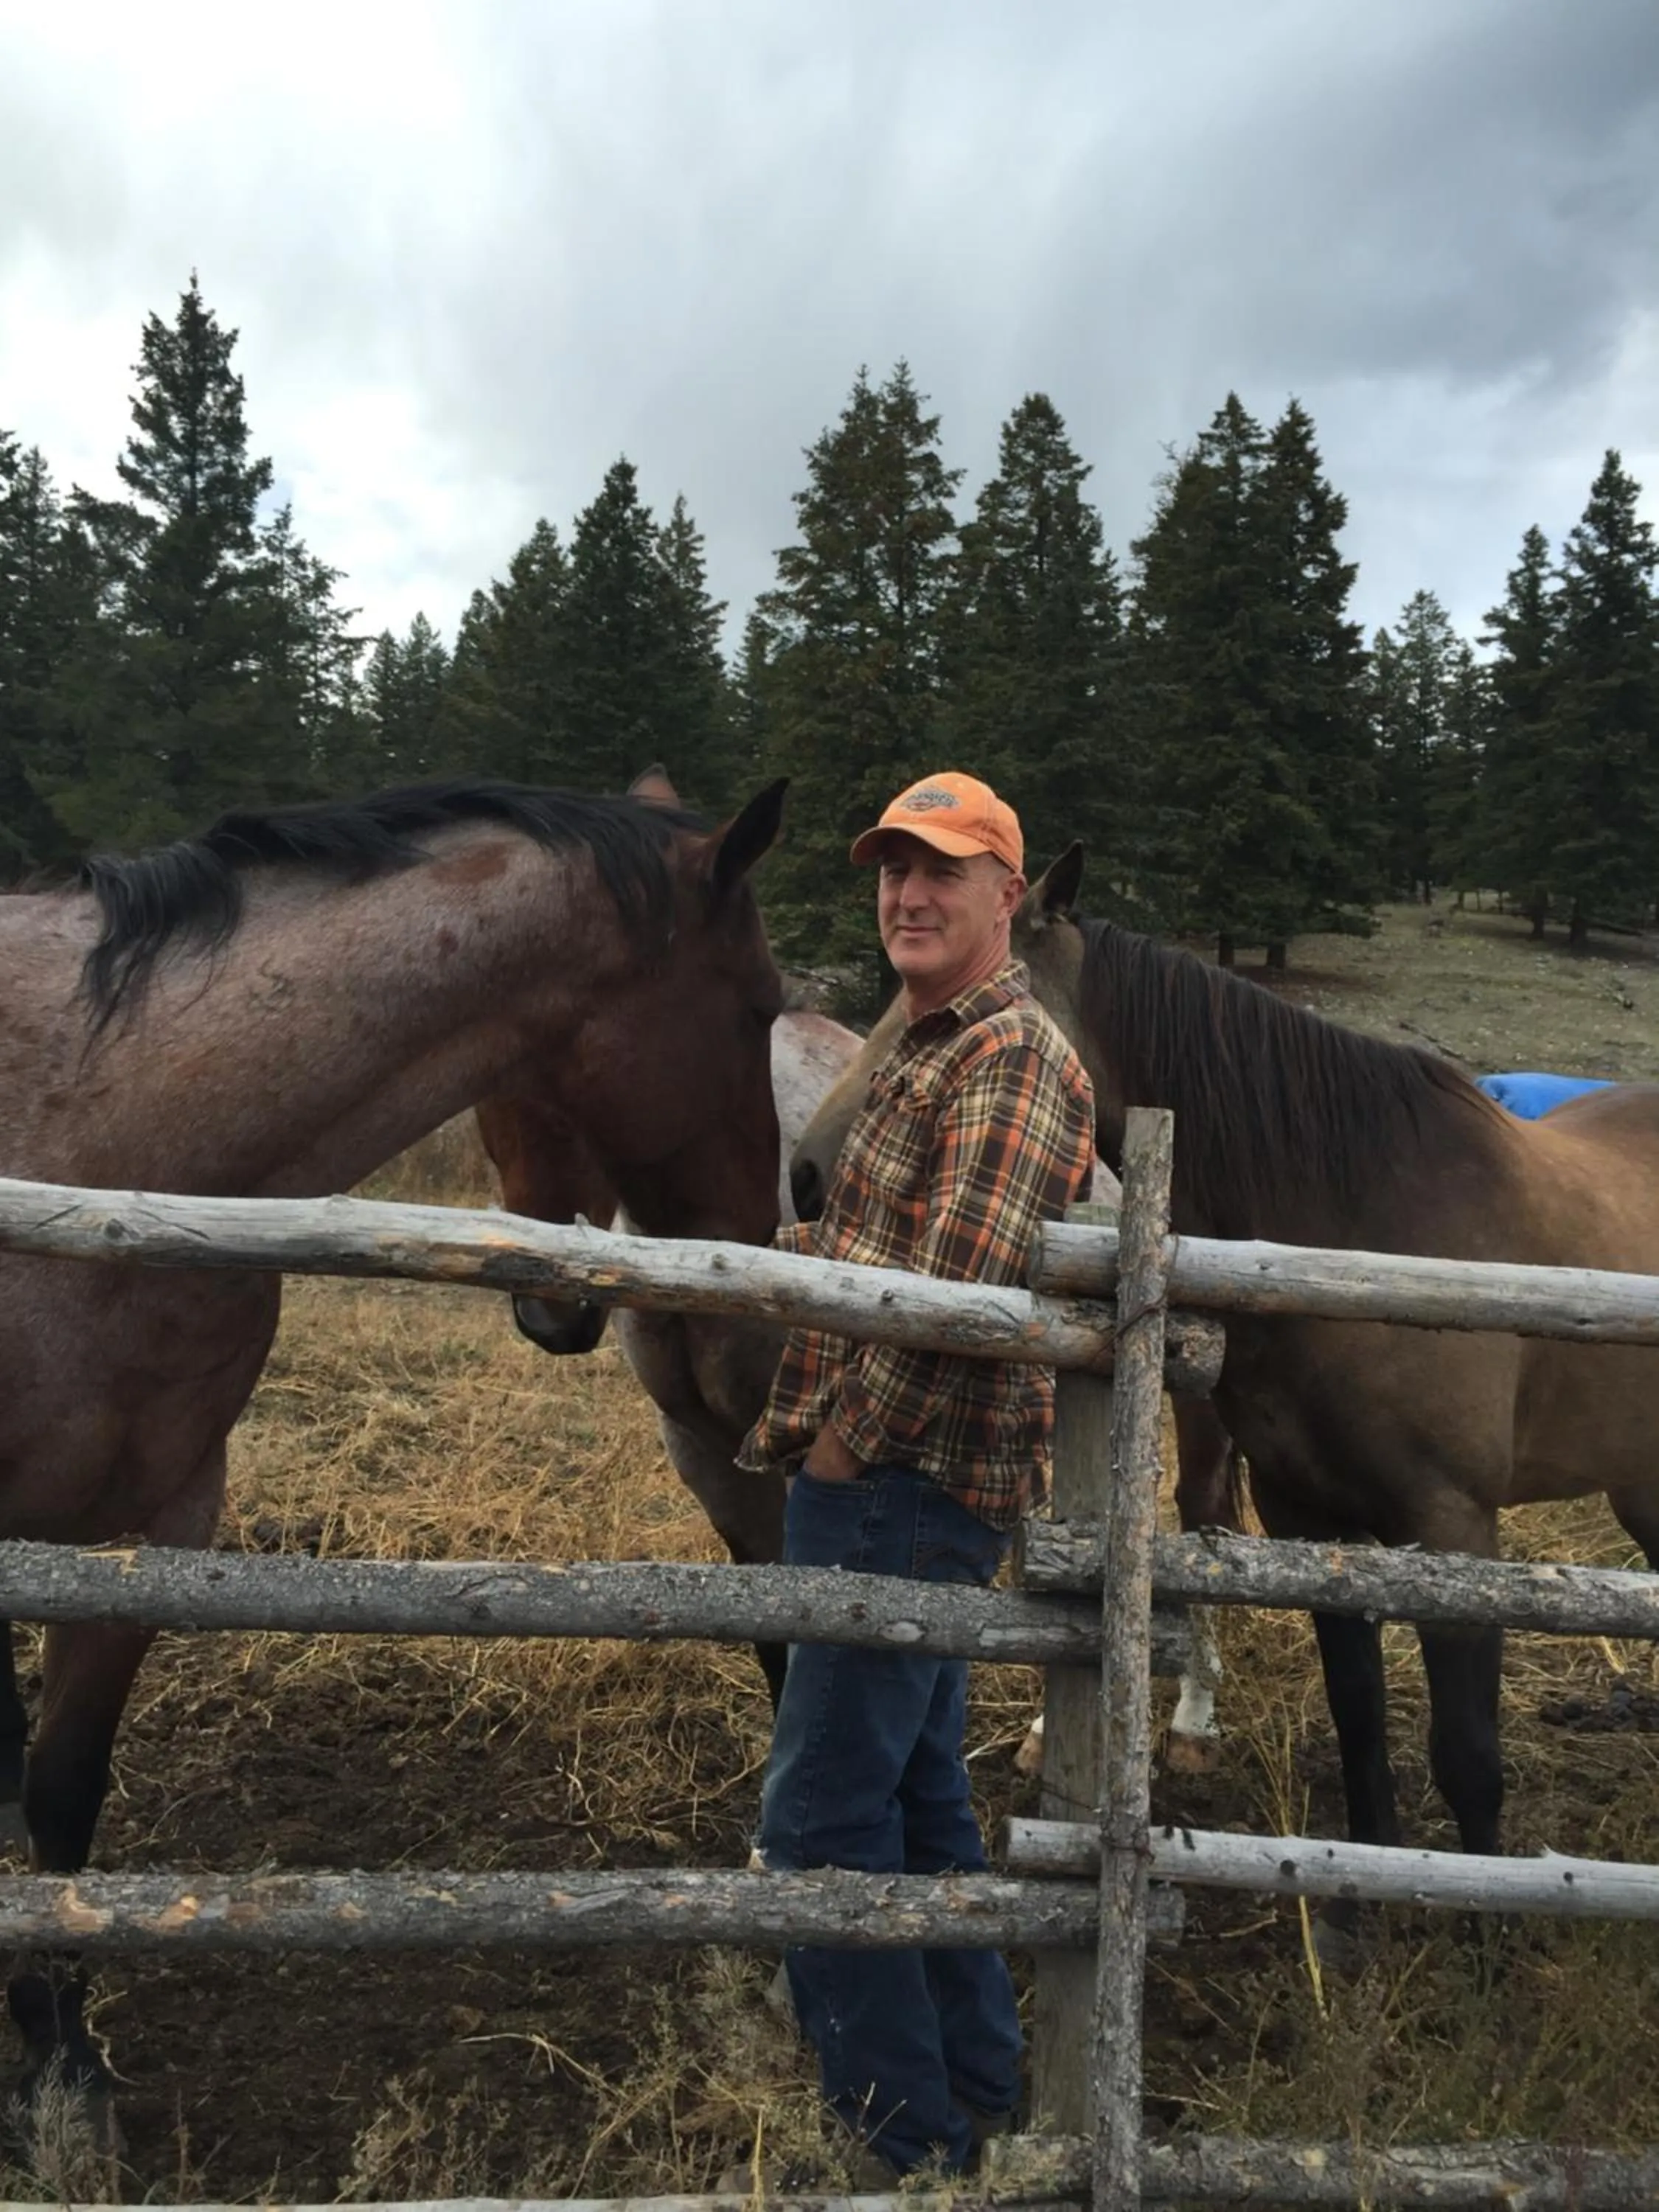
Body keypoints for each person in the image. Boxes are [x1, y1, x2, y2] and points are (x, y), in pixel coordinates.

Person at [738, 771, 1096, 2182]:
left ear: (1008, 894)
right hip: (901, 1477)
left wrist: (841, 1443)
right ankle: (978, 2085)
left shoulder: (1010, 1056)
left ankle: (900, 2142)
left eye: (943, 869)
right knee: (917, 1799)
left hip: (900, 1479)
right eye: (893, 868)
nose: (909, 893)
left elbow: (955, 1294)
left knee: (821, 1816)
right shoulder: (931, 1038)